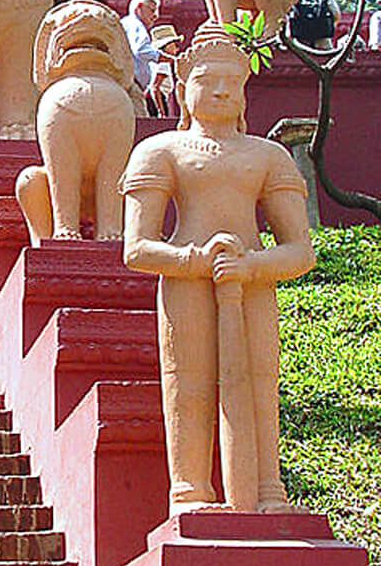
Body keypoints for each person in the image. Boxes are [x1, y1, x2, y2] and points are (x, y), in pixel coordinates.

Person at [121, 25, 315, 513]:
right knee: (187, 384)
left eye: (232, 81)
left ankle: (267, 487)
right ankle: (189, 488)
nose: (222, 90)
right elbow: (137, 248)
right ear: (182, 88)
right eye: (207, 80)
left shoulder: (268, 156)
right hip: (187, 283)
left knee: (260, 384)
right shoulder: (161, 151)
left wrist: (251, 265)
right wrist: (196, 259)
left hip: (252, 283)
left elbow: (300, 250)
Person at [120, 0, 168, 109]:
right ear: (139, 7)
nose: (156, 16)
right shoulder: (135, 25)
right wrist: (162, 57)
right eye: (152, 10)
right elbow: (141, 50)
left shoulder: (128, 24)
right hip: (132, 84)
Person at [147, 22, 182, 117]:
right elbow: (155, 88)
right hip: (158, 100)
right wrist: (161, 112)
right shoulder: (163, 64)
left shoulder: (156, 62)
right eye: (174, 45)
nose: (176, 49)